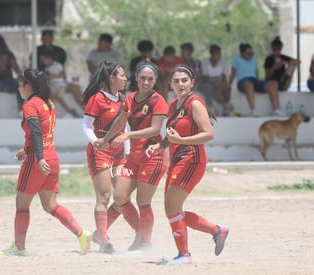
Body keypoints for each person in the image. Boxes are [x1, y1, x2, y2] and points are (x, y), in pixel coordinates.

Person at [0, 68, 91, 256]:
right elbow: (44, 132)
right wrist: (28, 149)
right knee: (50, 205)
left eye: (20, 84)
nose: (18, 87)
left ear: (29, 85)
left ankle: (19, 247)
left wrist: (38, 157)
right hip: (53, 157)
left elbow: (36, 132)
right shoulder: (49, 103)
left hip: (38, 161)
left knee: (22, 203)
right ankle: (82, 234)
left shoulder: (30, 105)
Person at [146, 65, 229, 265]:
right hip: (177, 159)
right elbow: (172, 135)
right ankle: (217, 231)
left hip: (192, 159)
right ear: (170, 84)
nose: (181, 84)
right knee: (171, 209)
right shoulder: (173, 104)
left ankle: (185, 255)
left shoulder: (195, 103)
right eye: (176, 81)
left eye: (184, 80)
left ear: (192, 83)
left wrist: (181, 141)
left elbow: (208, 134)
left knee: (173, 207)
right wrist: (159, 146)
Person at [94, 61, 168, 251]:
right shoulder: (130, 98)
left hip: (153, 157)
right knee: (119, 196)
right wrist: (105, 139)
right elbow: (120, 122)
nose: (146, 82)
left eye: (150, 79)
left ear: (155, 80)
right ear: (136, 77)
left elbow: (155, 129)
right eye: (142, 78)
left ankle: (144, 242)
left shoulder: (158, 100)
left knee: (143, 202)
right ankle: (129, 233)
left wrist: (128, 135)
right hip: (134, 157)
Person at [82, 62, 127, 253]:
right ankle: (104, 241)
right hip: (100, 151)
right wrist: (95, 141)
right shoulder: (97, 99)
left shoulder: (123, 99)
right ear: (112, 78)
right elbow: (86, 125)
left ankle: (97, 235)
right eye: (122, 76)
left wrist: (128, 150)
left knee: (122, 196)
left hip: (119, 152)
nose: (125, 79)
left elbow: (127, 127)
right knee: (104, 196)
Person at [228, 43, 285, 117]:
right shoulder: (236, 59)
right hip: (243, 81)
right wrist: (229, 85)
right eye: (248, 53)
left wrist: (259, 82)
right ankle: (253, 110)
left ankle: (277, 110)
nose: (251, 55)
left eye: (252, 53)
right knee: (249, 85)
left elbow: (256, 71)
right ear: (242, 53)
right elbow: (233, 74)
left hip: (255, 80)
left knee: (273, 84)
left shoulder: (254, 57)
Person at [33, 29, 83, 111]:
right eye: (45, 38)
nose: (47, 40)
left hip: (59, 82)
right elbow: (33, 69)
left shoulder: (59, 51)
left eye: (49, 38)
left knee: (76, 88)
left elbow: (63, 69)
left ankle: (86, 112)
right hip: (43, 82)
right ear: (41, 39)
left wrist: (63, 79)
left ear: (52, 39)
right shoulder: (36, 51)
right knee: (48, 92)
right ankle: (52, 115)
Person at [43, 51, 81, 118]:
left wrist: (51, 75)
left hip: (60, 84)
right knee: (52, 95)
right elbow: (47, 76)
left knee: (59, 97)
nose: (43, 61)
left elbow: (62, 75)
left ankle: (70, 111)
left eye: (45, 59)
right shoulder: (47, 68)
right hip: (53, 85)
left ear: (49, 59)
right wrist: (54, 75)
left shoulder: (58, 65)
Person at [199, 44, 233, 116]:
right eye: (217, 54)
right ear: (212, 54)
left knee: (226, 88)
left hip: (219, 81)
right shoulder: (205, 62)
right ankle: (224, 105)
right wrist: (215, 85)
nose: (219, 56)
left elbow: (224, 77)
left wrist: (222, 84)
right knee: (211, 90)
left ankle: (226, 106)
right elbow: (205, 78)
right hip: (208, 82)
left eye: (220, 54)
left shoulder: (222, 62)